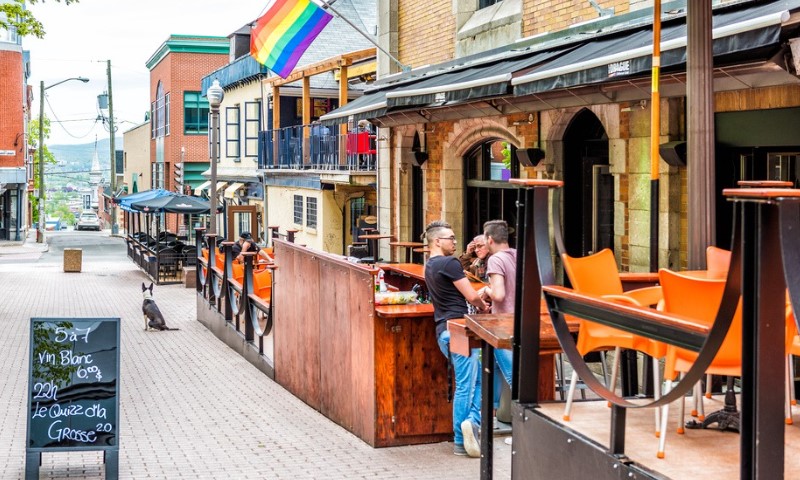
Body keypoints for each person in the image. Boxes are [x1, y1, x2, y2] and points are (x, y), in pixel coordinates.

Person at [423, 220, 488, 458]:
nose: (455, 241)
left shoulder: (429, 264)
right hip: (459, 330)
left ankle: (472, 425)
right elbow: (471, 296)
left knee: (478, 380)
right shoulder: (449, 263)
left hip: (444, 331)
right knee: (467, 385)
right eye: (451, 238)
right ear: (437, 241)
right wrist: (484, 305)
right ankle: (462, 439)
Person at [479, 220, 515, 388]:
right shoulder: (518, 254)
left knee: (513, 378)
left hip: (503, 324)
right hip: (522, 321)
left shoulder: (495, 260)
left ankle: (522, 412)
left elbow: (499, 295)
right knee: (494, 371)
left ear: (490, 239)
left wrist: (486, 291)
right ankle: (493, 411)